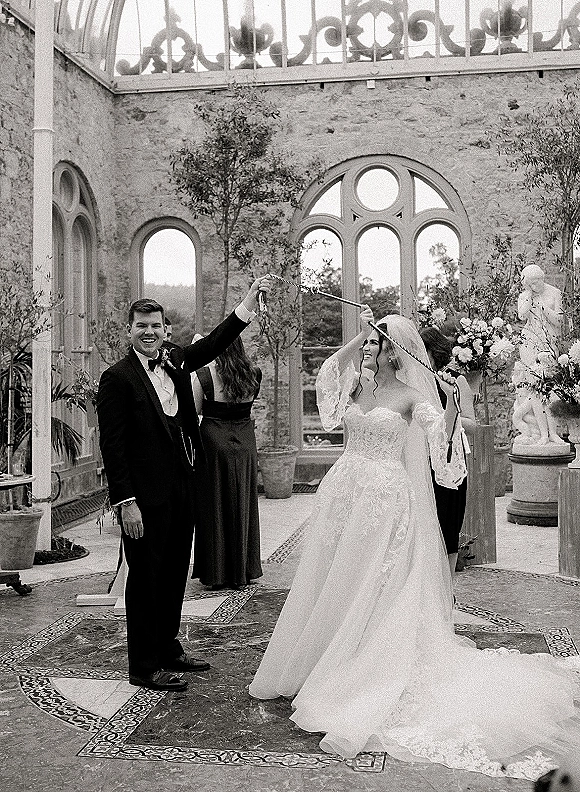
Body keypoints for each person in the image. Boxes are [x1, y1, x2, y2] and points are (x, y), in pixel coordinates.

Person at [249, 307, 580, 778]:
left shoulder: (408, 396)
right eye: (366, 342)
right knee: (334, 578)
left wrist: (449, 403)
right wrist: (358, 337)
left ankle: (366, 661)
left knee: (375, 583)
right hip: (344, 494)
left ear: (393, 351)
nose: (366, 348)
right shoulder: (357, 385)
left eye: (375, 343)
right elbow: (328, 383)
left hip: (384, 501)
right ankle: (325, 652)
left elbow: (443, 444)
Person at [96, 275, 270, 693]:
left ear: (166, 330)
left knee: (174, 572)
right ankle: (144, 665)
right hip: (143, 498)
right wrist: (126, 503)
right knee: (145, 579)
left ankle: (169, 648)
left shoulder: (174, 361)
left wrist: (246, 305)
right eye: (141, 325)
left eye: (156, 325)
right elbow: (113, 447)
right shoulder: (117, 379)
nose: (149, 332)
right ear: (129, 330)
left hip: (184, 487)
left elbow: (211, 346)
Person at [191, 336, 263, 589]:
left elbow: (194, 411)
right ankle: (244, 569)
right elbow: (250, 406)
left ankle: (216, 572)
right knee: (243, 502)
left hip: (213, 442)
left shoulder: (203, 375)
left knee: (214, 505)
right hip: (245, 441)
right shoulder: (254, 373)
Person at [420, 326, 476, 582]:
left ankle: (447, 587)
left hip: (451, 460)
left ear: (434, 351)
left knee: (450, 524)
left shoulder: (456, 380)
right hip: (421, 459)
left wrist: (448, 413)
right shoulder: (415, 385)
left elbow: (472, 424)